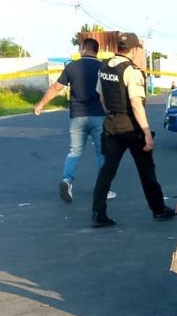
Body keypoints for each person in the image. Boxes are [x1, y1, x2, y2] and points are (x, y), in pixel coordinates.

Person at [91, 32, 176, 228]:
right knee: (146, 170)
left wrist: (112, 114)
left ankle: (98, 213)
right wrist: (146, 132)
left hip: (111, 124)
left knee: (107, 171)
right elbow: (136, 103)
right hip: (131, 126)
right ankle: (158, 209)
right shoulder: (131, 71)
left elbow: (102, 97)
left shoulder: (104, 68)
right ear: (134, 49)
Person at [33, 37, 115, 203]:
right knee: (102, 153)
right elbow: (109, 93)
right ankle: (103, 189)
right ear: (96, 50)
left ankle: (67, 180)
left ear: (84, 48)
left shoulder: (72, 66)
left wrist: (40, 104)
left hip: (77, 116)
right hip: (99, 116)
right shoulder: (103, 68)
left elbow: (56, 88)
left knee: (75, 151)